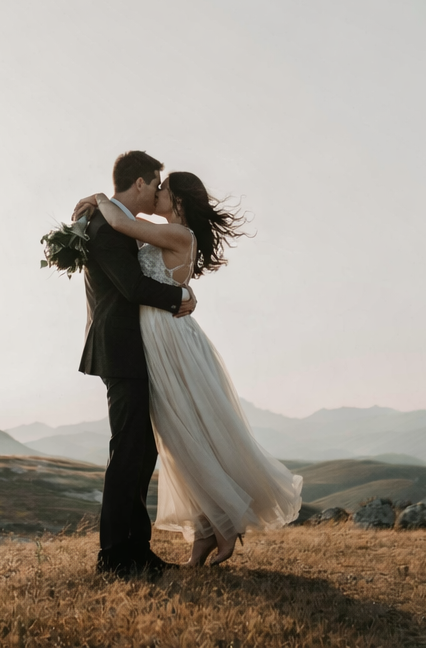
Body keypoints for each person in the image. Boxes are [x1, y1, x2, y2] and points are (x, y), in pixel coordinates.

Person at [73, 168, 302, 568]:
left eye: (164, 189)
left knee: (186, 431)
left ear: (177, 201)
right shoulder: (162, 231)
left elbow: (123, 223)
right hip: (156, 336)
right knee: (179, 437)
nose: (157, 192)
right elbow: (126, 233)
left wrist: (99, 198)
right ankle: (206, 529)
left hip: (169, 338)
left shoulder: (180, 235)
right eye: (156, 185)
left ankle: (222, 522)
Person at [77, 150, 194, 577]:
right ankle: (113, 555)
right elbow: (129, 286)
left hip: (134, 348)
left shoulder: (114, 221)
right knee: (127, 451)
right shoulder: (107, 226)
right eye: (156, 184)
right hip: (120, 349)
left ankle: (137, 548)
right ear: (140, 183)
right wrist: (179, 299)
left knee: (141, 451)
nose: (158, 192)